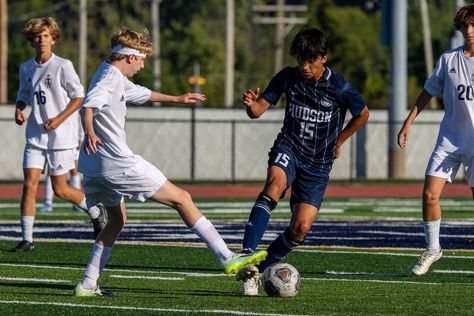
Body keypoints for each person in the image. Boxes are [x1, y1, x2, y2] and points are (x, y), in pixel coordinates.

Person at [73, 27, 267, 297]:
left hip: (94, 166)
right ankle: (226, 257)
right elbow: (88, 106)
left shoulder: (109, 72)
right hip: (116, 161)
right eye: (141, 60)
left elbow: (139, 92)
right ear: (129, 57)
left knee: (116, 222)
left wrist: (176, 98)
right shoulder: (109, 79)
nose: (141, 65)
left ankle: (87, 284)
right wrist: (91, 131)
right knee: (182, 198)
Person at [236, 27, 369, 295]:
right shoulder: (288, 76)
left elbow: (363, 114)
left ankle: (260, 268)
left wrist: (339, 141)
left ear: (324, 58)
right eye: (300, 59)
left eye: (310, 60)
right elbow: (259, 109)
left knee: (300, 229)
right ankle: (246, 258)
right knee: (274, 186)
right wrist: (251, 107)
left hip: (318, 164)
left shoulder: (340, 87)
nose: (305, 66)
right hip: (290, 148)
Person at [13, 17, 106, 252]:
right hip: (35, 135)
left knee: (60, 189)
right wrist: (19, 108)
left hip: (61, 136)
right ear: (32, 40)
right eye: (38, 36)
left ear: (53, 39)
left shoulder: (63, 65)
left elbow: (78, 97)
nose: (41, 39)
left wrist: (59, 120)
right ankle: (27, 239)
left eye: (46, 35)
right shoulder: (26, 68)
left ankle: (95, 211)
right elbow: (24, 94)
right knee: (29, 185)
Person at [398, 4, 474, 276]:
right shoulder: (448, 60)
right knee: (429, 194)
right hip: (449, 140)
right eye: (465, 26)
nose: (469, 31)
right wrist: (407, 123)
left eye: (473, 26)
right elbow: (428, 92)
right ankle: (433, 249)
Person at [40, 113, 84, 213]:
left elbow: (81, 119)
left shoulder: (75, 102)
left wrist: (81, 137)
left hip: (71, 141)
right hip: (55, 140)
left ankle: (77, 204)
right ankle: (48, 203)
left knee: (74, 170)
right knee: (51, 171)